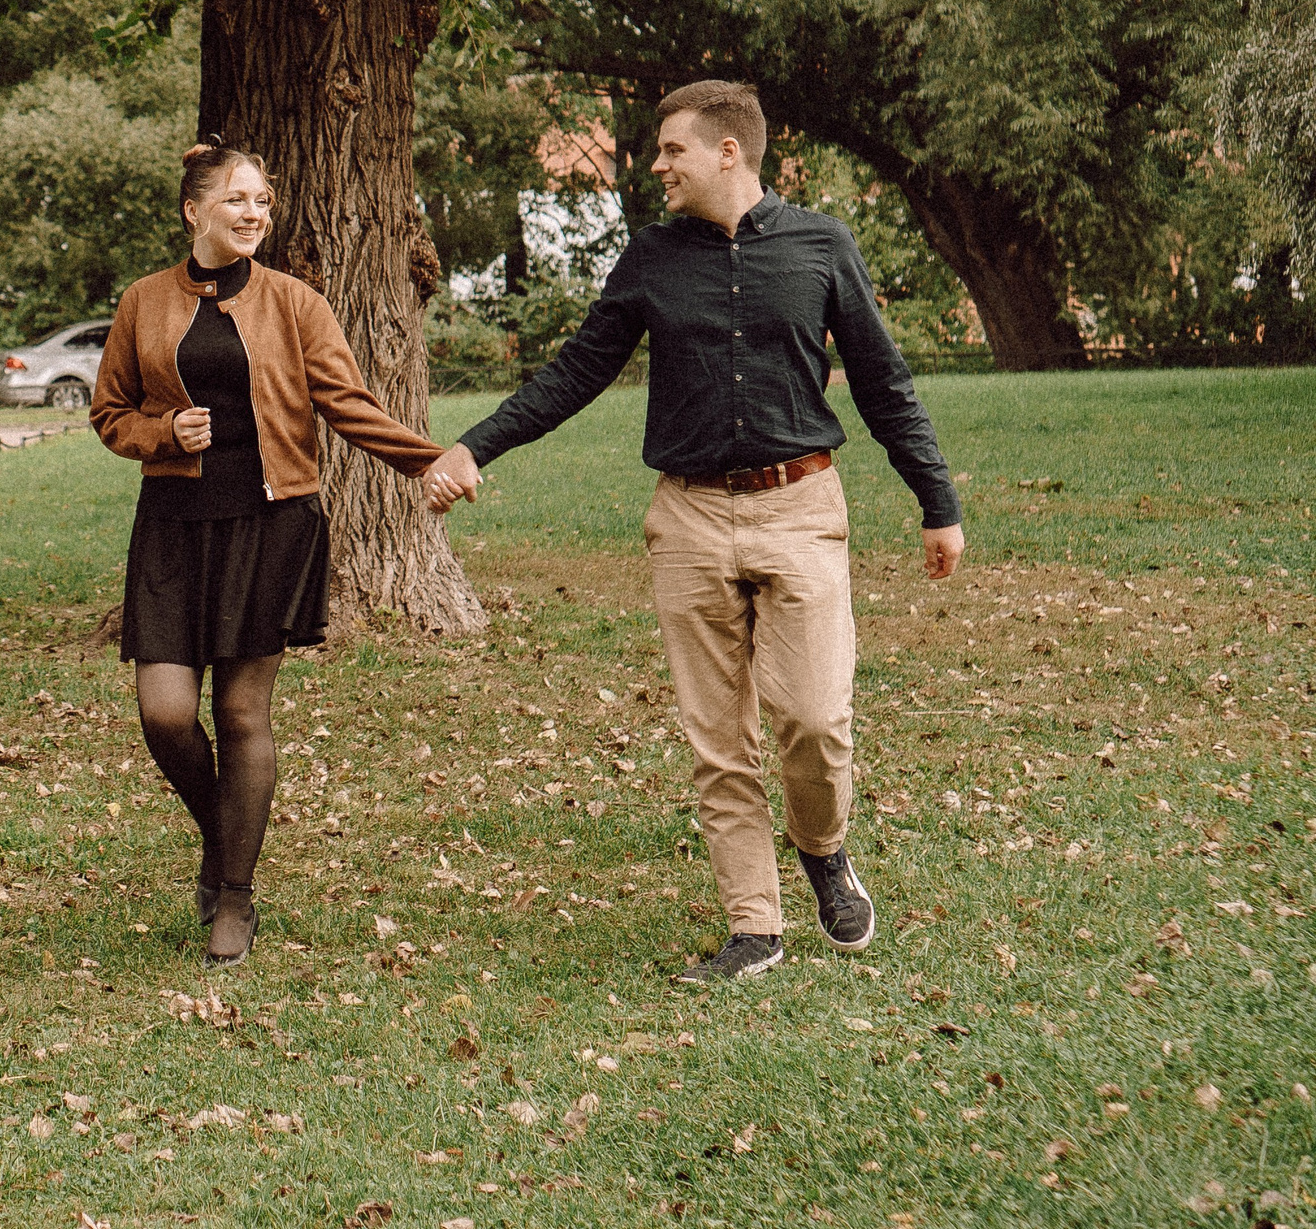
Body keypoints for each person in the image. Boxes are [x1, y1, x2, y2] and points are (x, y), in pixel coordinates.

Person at [421, 81, 965, 986]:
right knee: (720, 739)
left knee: (814, 719)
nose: (658, 165)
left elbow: (883, 381)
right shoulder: (651, 257)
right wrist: (477, 445)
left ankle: (823, 849)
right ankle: (755, 925)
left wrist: (936, 500)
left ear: (727, 151)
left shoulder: (822, 245)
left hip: (800, 508)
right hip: (688, 518)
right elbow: (577, 371)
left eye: (673, 149)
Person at [91, 140, 448, 964]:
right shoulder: (143, 302)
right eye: (236, 199)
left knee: (242, 712)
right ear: (194, 211)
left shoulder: (295, 302)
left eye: (262, 201)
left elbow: (347, 403)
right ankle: (223, 834)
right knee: (165, 713)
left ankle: (235, 896)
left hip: (269, 522)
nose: (254, 214)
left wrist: (428, 460)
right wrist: (163, 431)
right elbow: (110, 411)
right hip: (173, 527)